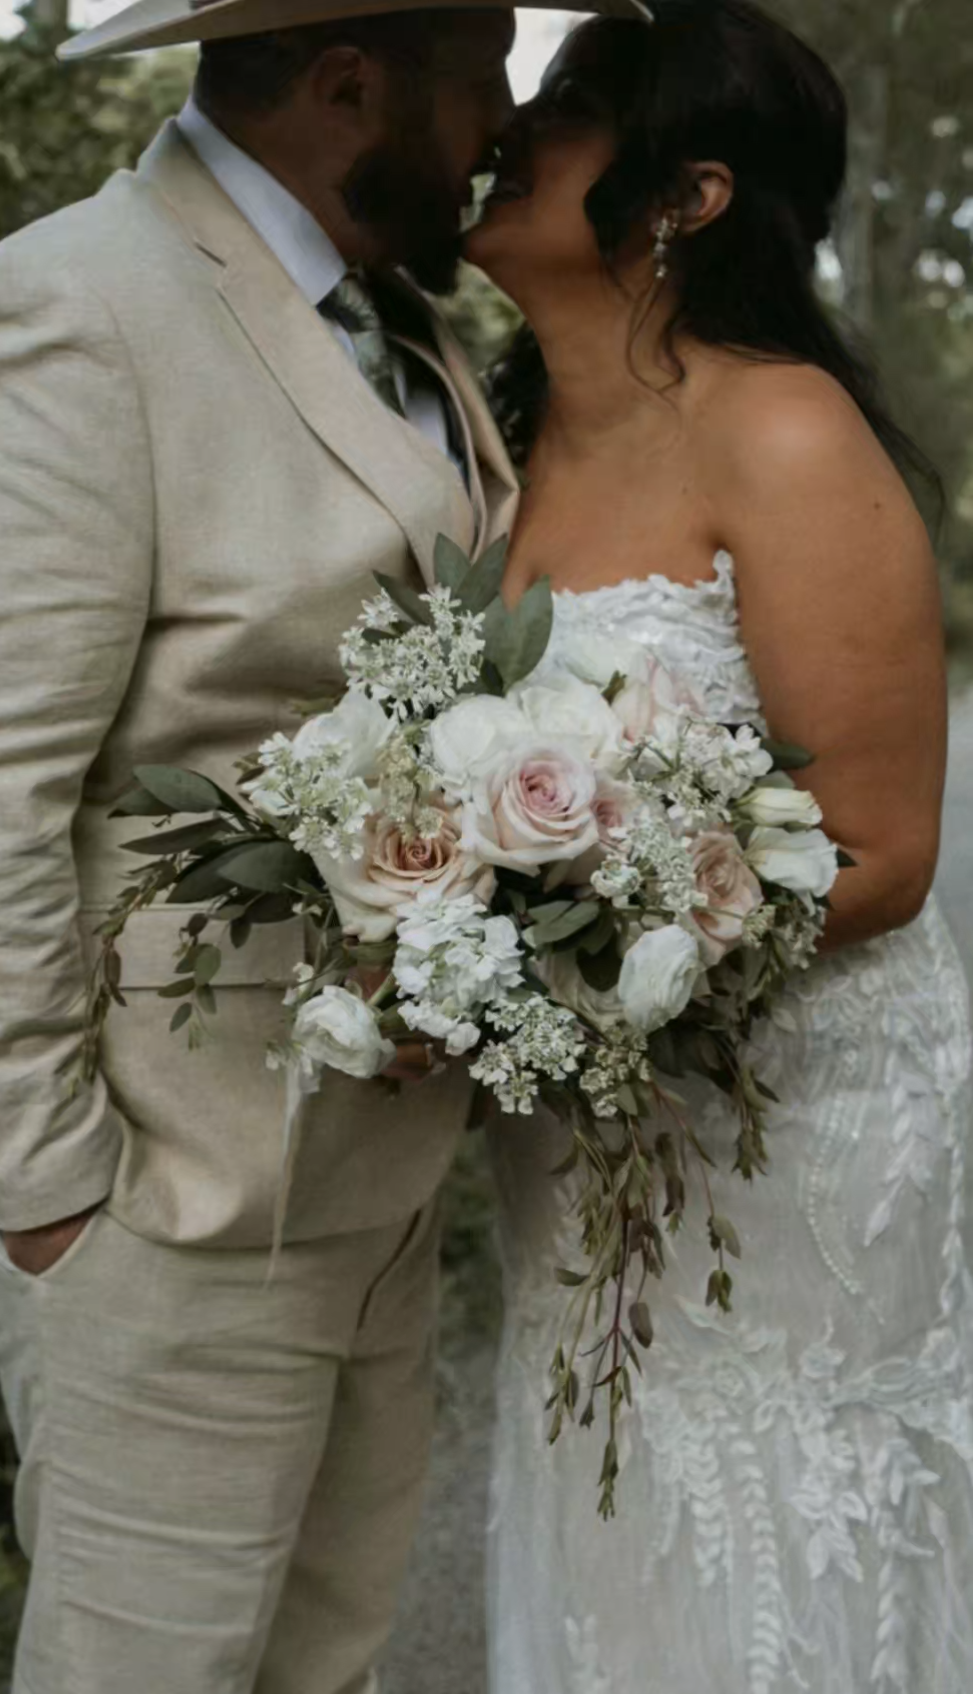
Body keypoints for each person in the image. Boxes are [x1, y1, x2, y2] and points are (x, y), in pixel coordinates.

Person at [0, 1, 626, 1687]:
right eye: (481, 66)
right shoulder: (68, 309)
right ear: (353, 81)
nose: (503, 113)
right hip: (163, 1208)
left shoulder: (405, 325)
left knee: (326, 1662)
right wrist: (59, 1200)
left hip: (372, 1191)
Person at [465, 3, 973, 1690]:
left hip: (792, 1126)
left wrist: (571, 962)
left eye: (569, 107)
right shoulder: (496, 436)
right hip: (584, 1130)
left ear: (683, 195)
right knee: (614, 1529)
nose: (512, 125)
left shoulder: (784, 432)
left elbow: (885, 845)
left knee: (777, 1532)